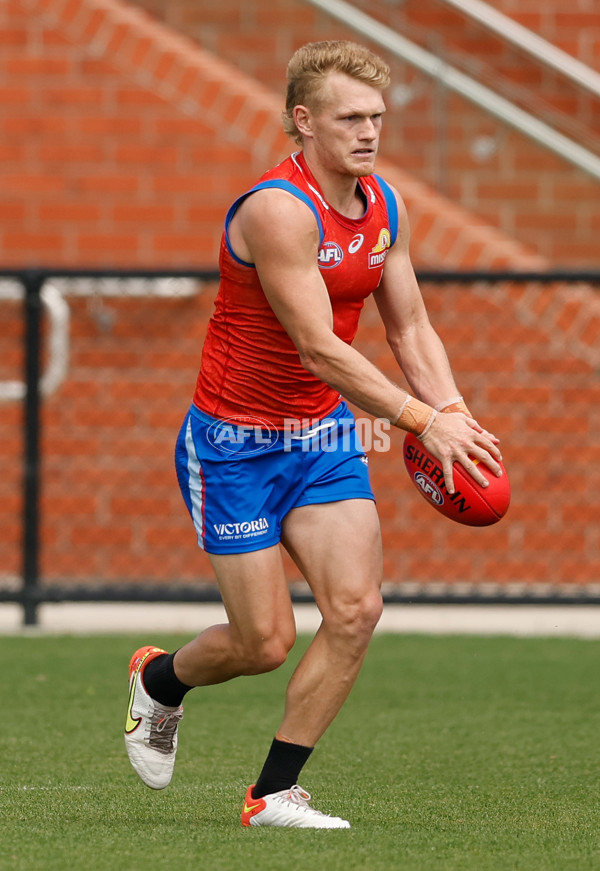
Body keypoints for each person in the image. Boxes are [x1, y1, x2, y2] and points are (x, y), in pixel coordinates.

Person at [124, 40, 503, 829]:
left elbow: (411, 326)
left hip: (323, 437)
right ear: (304, 121)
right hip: (233, 443)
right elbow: (320, 347)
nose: (369, 132)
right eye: (350, 117)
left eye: (377, 117)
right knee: (264, 640)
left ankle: (273, 794)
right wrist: (421, 421)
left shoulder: (384, 204)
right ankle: (161, 682)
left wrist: (455, 408)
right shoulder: (277, 209)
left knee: (358, 607)